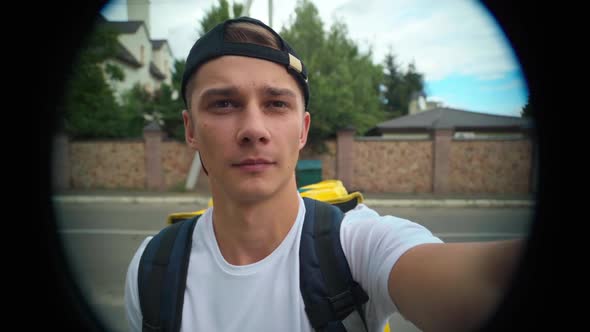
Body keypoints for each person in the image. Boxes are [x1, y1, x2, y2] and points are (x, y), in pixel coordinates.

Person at [124, 16, 524, 332]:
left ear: (303, 129)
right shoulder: (151, 270)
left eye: (276, 104)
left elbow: (479, 281)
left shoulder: (356, 246)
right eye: (224, 104)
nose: (253, 129)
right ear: (190, 128)